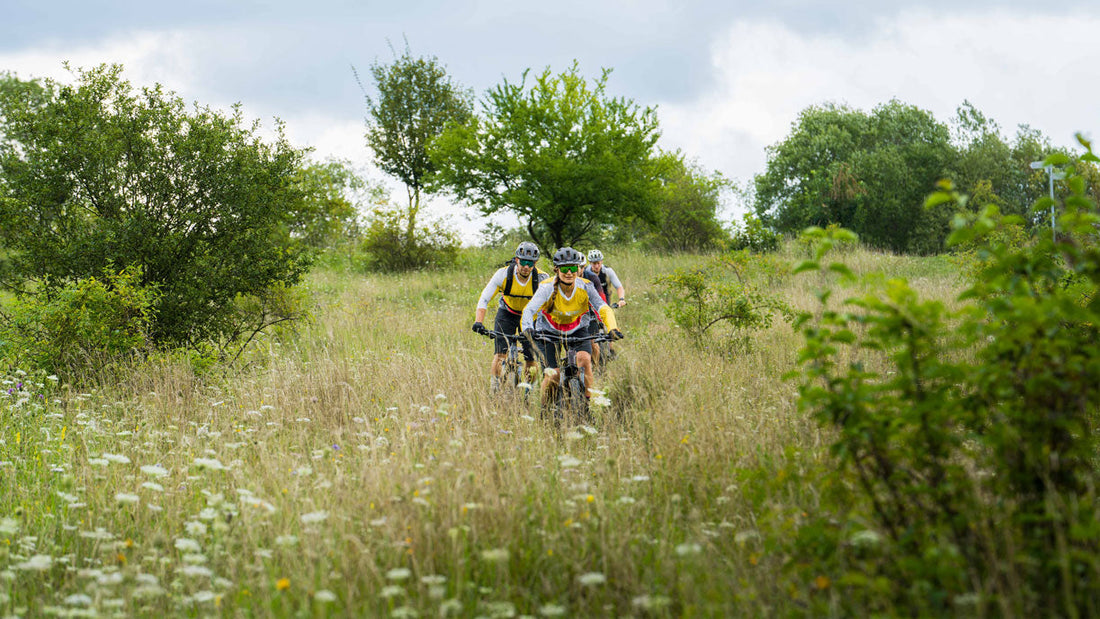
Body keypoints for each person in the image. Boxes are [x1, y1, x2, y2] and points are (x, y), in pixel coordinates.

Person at [521, 247, 622, 404]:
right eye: (564, 268)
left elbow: (603, 307)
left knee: (585, 361)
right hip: (548, 331)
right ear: (557, 269)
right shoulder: (547, 287)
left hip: (577, 329)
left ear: (578, 269)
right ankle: (545, 410)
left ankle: (588, 405)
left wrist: (612, 328)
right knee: (553, 375)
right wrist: (528, 328)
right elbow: (529, 310)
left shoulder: (586, 286)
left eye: (573, 268)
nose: (569, 272)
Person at [472, 242, 549, 392]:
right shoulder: (503, 274)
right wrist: (478, 322)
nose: (526, 266)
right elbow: (484, 298)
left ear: (535, 263)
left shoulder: (541, 278)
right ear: (516, 260)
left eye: (530, 263)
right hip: (507, 313)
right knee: (500, 354)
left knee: (531, 358)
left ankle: (529, 391)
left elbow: (550, 304)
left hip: (529, 317)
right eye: (523, 262)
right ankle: (494, 389)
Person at [583, 249, 626, 364]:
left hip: (605, 300)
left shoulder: (607, 271)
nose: (596, 266)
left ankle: (610, 349)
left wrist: (621, 299)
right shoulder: (586, 272)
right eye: (593, 263)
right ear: (589, 263)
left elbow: (619, 287)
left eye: (598, 263)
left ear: (601, 261)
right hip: (590, 301)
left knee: (608, 324)